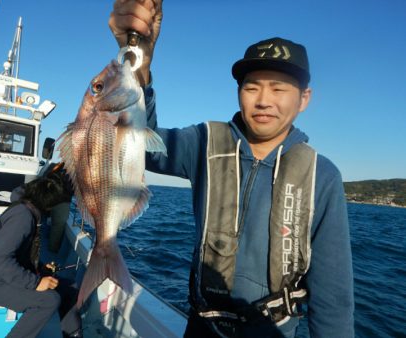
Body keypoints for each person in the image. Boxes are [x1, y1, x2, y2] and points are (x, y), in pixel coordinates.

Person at [109, 1, 354, 337]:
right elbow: (141, 145)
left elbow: (334, 298)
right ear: (238, 92)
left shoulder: (322, 176)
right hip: (203, 326)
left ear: (304, 98)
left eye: (279, 88)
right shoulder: (205, 142)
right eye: (252, 87)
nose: (264, 100)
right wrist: (138, 61)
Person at [0, 177, 67, 338]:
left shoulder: (26, 210)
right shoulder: (22, 217)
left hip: (4, 279)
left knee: (65, 287)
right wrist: (36, 282)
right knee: (49, 300)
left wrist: (41, 270)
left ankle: (71, 332)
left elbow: (17, 255)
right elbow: (0, 260)